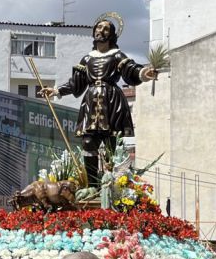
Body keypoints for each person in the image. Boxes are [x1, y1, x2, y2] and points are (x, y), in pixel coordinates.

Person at [41, 14, 157, 184]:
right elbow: (76, 84)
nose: (100, 31)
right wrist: (57, 90)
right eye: (98, 27)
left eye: (105, 29)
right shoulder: (87, 59)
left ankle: (114, 185)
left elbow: (130, 69)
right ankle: (92, 184)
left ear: (111, 35)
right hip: (92, 101)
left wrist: (143, 73)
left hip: (111, 102)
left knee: (112, 143)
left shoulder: (116, 55)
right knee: (88, 141)